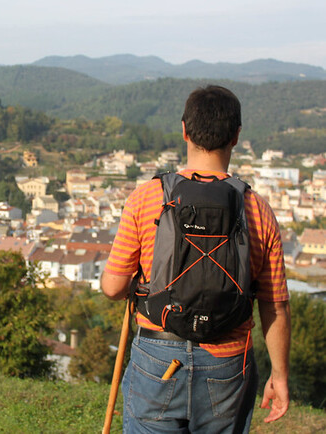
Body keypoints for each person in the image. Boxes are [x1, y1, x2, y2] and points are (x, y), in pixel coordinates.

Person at [102, 85, 291, 433]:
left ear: (184, 131)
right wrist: (279, 375)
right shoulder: (257, 210)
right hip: (228, 360)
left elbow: (113, 287)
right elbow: (274, 304)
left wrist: (136, 284)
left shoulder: (147, 197)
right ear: (236, 136)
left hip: (158, 354)